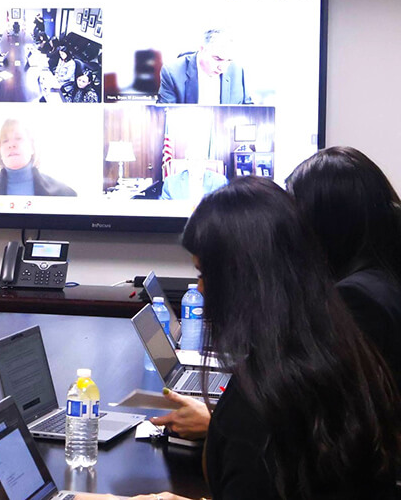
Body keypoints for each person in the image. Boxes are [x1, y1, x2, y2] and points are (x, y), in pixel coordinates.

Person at [144, 177, 399, 499]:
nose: (201, 290)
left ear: (243, 281)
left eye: (203, 274)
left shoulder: (257, 411)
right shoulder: (338, 352)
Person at [287, 146, 401, 386]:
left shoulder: (357, 298)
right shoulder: (381, 278)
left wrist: (218, 422)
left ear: (325, 222)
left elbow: (338, 407)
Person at [0, 119, 76, 196]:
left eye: (18, 138)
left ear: (32, 147)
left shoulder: (64, 193)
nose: (11, 145)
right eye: (5, 141)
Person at [156, 29, 249, 104]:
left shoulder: (237, 70)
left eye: (229, 60)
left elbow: (249, 111)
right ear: (201, 49)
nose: (223, 68)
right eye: (217, 58)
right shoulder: (173, 72)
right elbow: (166, 116)